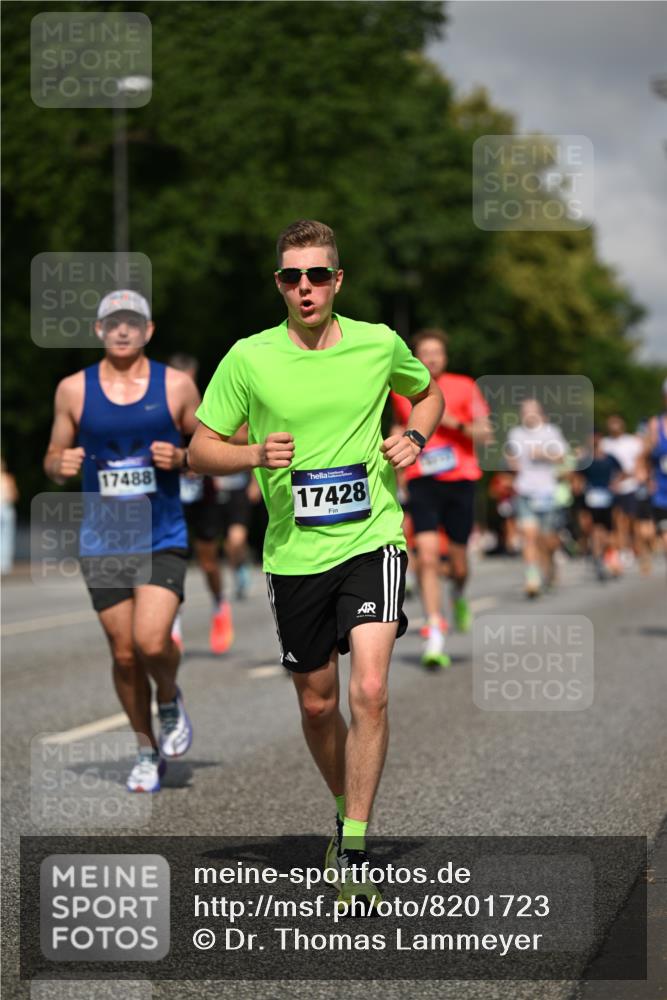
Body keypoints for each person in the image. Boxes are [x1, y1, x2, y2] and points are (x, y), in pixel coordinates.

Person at [189, 220, 443, 906]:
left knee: (368, 690)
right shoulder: (248, 357)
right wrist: (250, 455)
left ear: (338, 280)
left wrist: (414, 433)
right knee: (316, 701)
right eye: (291, 276)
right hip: (293, 552)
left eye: (318, 275)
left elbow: (427, 392)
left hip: (371, 537)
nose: (305, 288)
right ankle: (342, 804)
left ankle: (354, 846)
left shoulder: (377, 343)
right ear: (278, 283)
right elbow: (199, 448)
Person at [43, 290, 198, 792]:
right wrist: (58, 466)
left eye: (133, 322)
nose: (124, 330)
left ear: (149, 330)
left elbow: (213, 446)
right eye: (114, 323)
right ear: (99, 330)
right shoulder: (73, 389)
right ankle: (146, 750)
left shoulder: (176, 386)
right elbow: (53, 455)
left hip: (162, 534)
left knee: (152, 641)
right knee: (125, 654)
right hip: (103, 541)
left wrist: (182, 458)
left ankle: (169, 698)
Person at [391, 329, 491, 668]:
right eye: (425, 352)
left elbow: (485, 431)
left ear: (445, 356)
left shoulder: (465, 386)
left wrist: (451, 422)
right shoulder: (402, 389)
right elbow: (397, 428)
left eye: (437, 352)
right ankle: (434, 629)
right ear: (416, 357)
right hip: (423, 480)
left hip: (461, 479)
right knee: (428, 556)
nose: (431, 358)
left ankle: (459, 594)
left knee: (459, 565)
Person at [168, 352, 248, 655]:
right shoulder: (158, 405)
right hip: (171, 492)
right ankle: (172, 623)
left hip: (204, 493)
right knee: (170, 557)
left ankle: (219, 604)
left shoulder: (206, 405)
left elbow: (239, 434)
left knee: (207, 560)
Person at [506, 398, 567, 598]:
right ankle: (532, 578)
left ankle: (551, 566)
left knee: (547, 540)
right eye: (524, 410)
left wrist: (544, 454)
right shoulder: (515, 433)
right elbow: (511, 456)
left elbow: (561, 457)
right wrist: (511, 463)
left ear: (539, 413)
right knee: (529, 536)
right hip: (524, 490)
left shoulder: (551, 432)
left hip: (547, 491)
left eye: (531, 410)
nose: (527, 414)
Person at [578, 431, 622, 580]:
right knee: (596, 531)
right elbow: (577, 477)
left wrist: (615, 483)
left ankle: (610, 557)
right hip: (592, 500)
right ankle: (598, 559)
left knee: (610, 532)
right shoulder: (586, 459)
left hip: (608, 499)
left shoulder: (609, 458)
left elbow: (621, 472)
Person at [601, 414, 643, 568]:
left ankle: (635, 546)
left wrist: (634, 475)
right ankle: (623, 549)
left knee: (632, 520)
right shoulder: (605, 444)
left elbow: (639, 463)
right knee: (618, 521)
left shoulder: (631, 442)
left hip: (630, 486)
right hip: (613, 488)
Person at [643, 380, 667, 572]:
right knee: (665, 535)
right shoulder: (655, 424)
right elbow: (645, 456)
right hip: (661, 489)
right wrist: (647, 477)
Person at [0, 457, 18, 575]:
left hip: (5, 509)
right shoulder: (8, 479)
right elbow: (14, 495)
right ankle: (4, 565)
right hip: (6, 508)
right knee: (6, 537)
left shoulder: (8, 478)